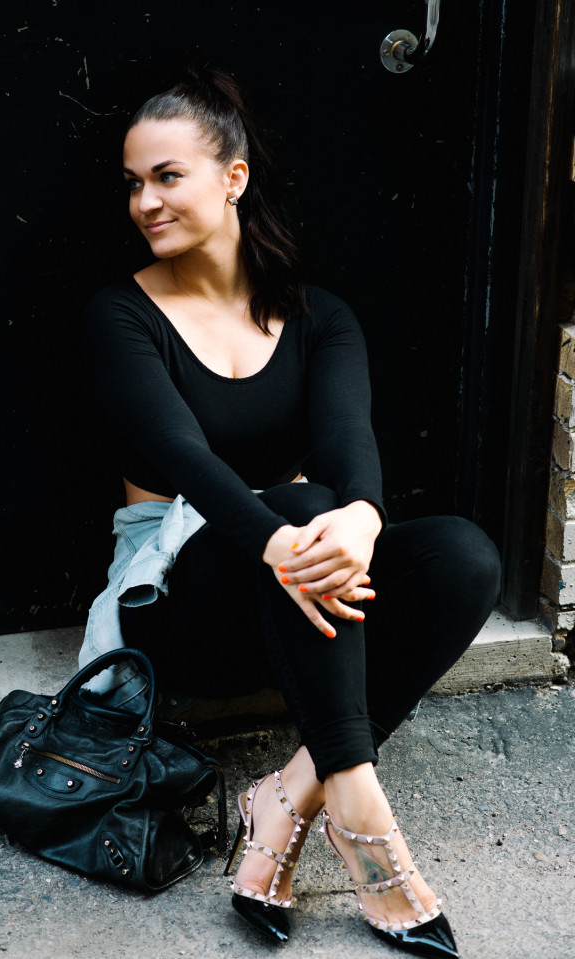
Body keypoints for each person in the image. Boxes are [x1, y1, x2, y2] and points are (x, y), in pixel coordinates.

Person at [80, 66, 501, 958]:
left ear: (233, 177)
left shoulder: (318, 316)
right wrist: (296, 527)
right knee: (308, 503)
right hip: (174, 599)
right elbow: (186, 461)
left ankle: (292, 792)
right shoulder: (120, 313)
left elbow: (351, 444)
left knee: (463, 555)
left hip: (293, 590)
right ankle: (361, 809)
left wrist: (365, 521)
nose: (144, 201)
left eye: (166, 175)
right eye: (132, 182)